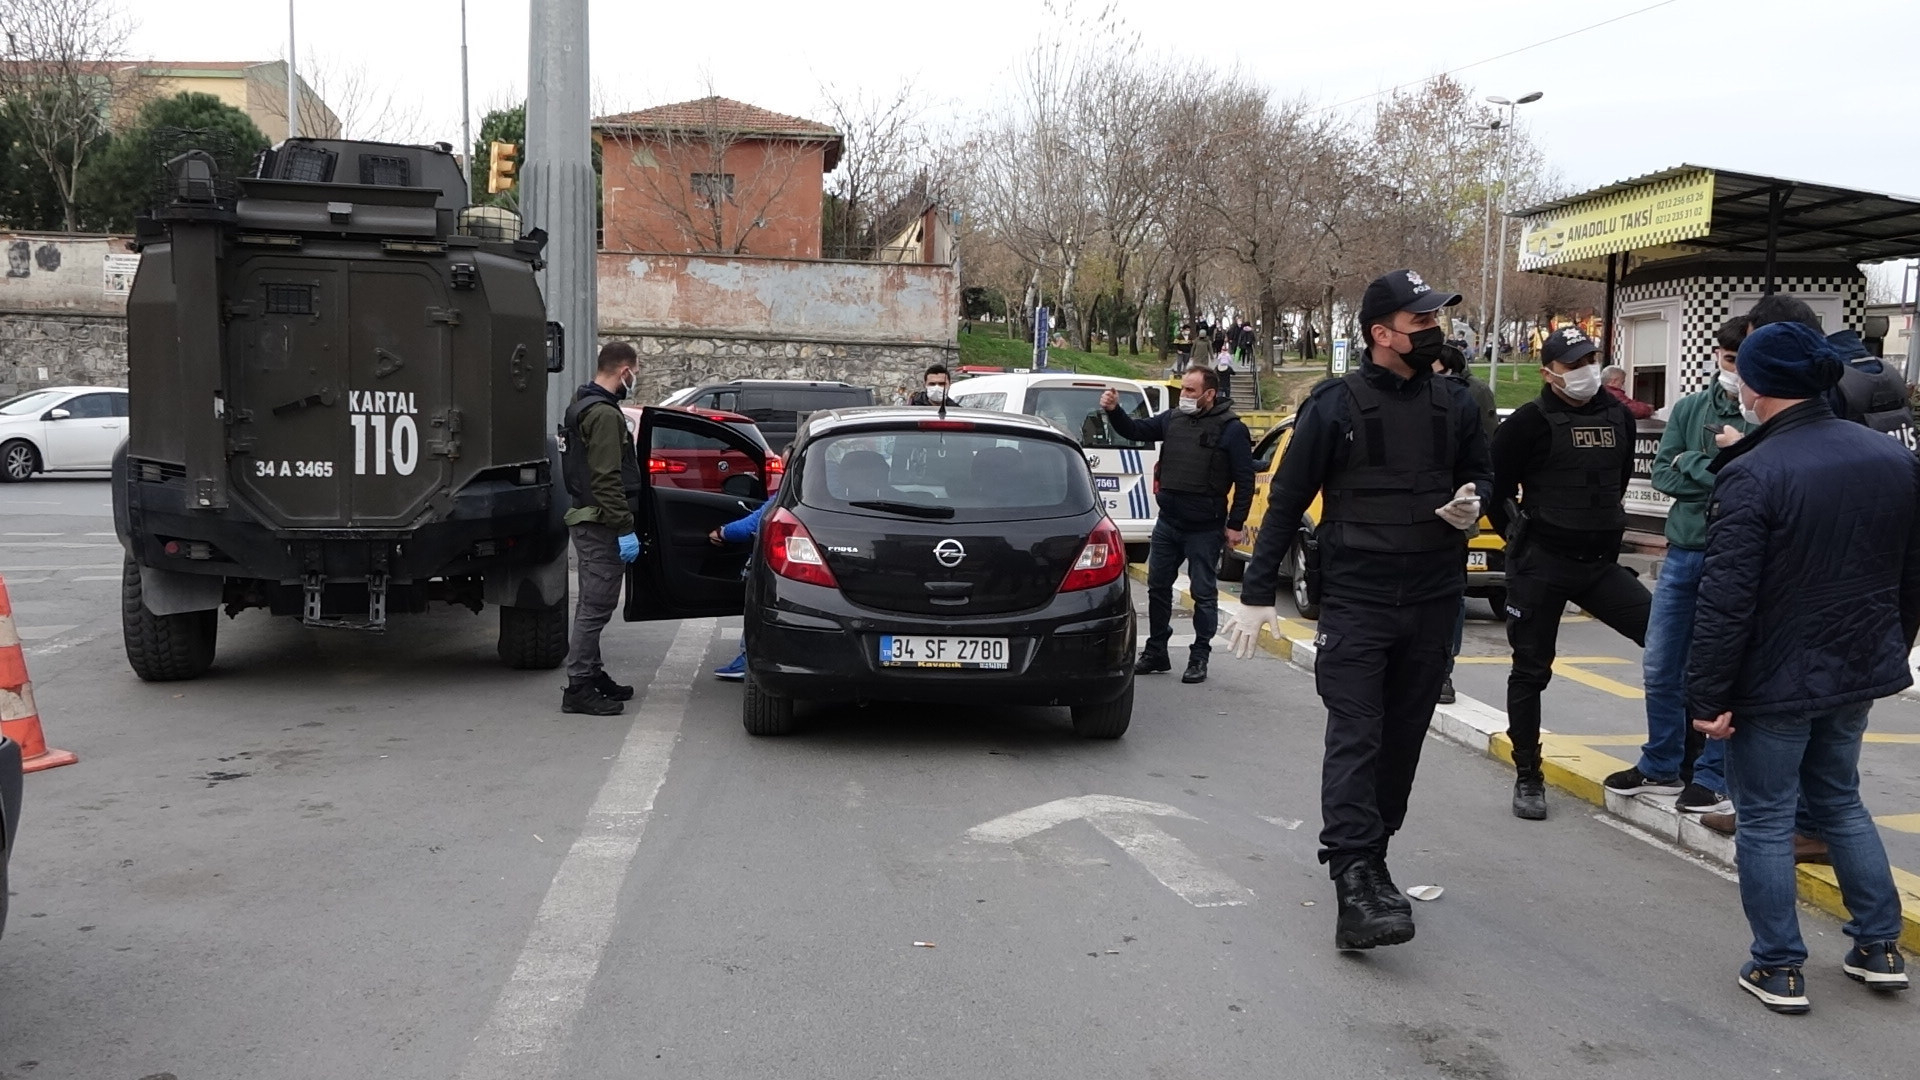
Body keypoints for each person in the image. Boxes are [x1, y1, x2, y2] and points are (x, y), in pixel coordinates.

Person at [1225, 269, 1490, 951]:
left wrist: (1476, 500)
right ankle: (1353, 881)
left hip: (1432, 602)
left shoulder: (1456, 403)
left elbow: (1485, 475)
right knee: (1358, 736)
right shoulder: (1334, 406)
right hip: (1359, 603)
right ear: (1382, 333)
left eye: (1436, 322)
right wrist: (1256, 595)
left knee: (1401, 742)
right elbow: (1285, 499)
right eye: (1421, 322)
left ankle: (1372, 858)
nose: (1434, 332)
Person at [1688, 319, 1919, 1014]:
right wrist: (1890, 644)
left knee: (1764, 818)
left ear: (1754, 385)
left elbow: (1727, 599)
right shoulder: (1891, 458)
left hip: (1775, 677)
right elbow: (1912, 574)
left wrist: (1708, 692)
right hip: (1857, 664)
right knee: (1841, 801)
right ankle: (1880, 947)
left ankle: (1778, 964)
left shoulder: (1754, 471)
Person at [1488, 326, 1649, 820]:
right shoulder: (1528, 423)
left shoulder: (1618, 415)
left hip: (1598, 566)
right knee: (1531, 671)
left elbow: (1616, 481)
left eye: (1589, 361)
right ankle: (1528, 776)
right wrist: (1517, 536)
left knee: (1668, 641)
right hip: (1542, 565)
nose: (1584, 372)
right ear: (1549, 372)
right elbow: (1496, 489)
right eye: (1573, 364)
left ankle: (1674, 761)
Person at [1604, 317, 1752, 815]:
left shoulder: (1765, 413)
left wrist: (1703, 465)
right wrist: (1719, 467)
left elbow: (1759, 482)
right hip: (1684, 550)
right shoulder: (1690, 408)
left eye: (1744, 362)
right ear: (1717, 356)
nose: (1736, 371)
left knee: (1719, 667)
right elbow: (1664, 473)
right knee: (1661, 662)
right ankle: (1662, 760)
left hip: (1735, 555)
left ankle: (1711, 774)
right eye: (1730, 361)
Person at [1102, 367, 1255, 685]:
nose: (1184, 396)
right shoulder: (1172, 419)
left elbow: (1244, 480)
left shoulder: (1231, 429)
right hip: (1168, 523)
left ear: (1209, 394)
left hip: (1205, 527)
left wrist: (1235, 524)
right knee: (1158, 589)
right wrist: (1114, 411)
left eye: (1190, 390)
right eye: (1183, 389)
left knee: (1203, 593)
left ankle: (1199, 656)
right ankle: (1157, 651)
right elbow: (1135, 430)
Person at [559, 342, 645, 716]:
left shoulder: (580, 402)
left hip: (587, 517)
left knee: (590, 605)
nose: (634, 378)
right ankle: (578, 685)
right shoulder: (605, 415)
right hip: (601, 523)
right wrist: (624, 526)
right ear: (624, 370)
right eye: (635, 371)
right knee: (596, 606)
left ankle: (592, 673)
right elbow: (607, 478)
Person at [1434, 343, 1498, 705]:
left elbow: (1485, 452)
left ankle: (1443, 670)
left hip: (1455, 507)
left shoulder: (1470, 395)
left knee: (1452, 593)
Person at [707, 499, 773, 680]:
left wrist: (723, 532)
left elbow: (754, 524)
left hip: (783, 571)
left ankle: (748, 658)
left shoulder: (803, 488)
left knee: (757, 608)